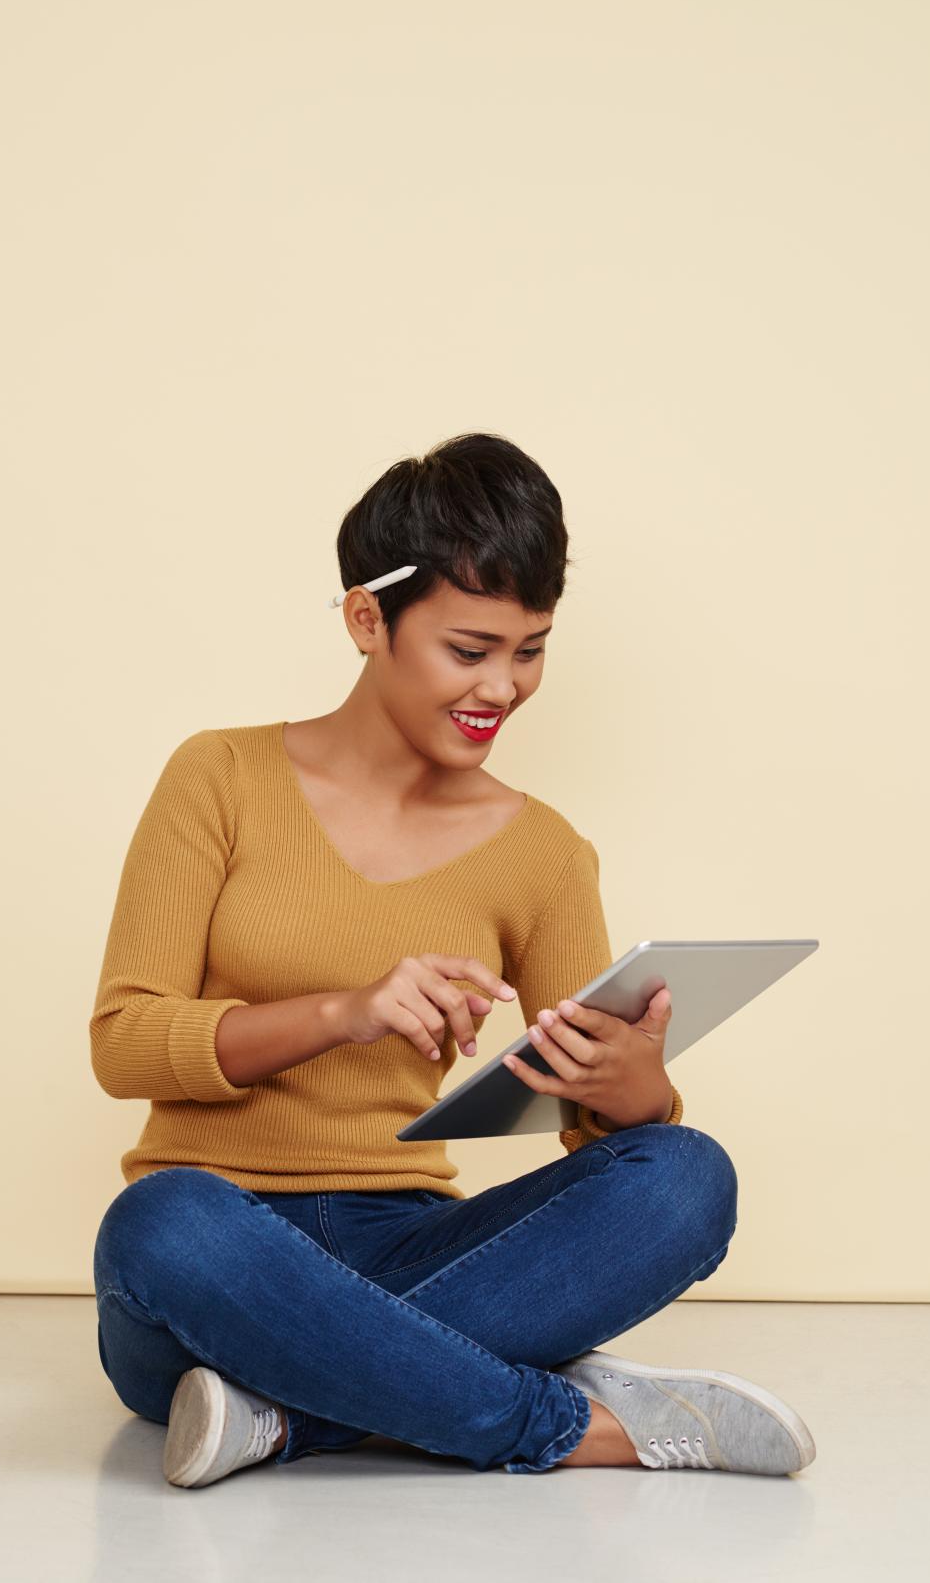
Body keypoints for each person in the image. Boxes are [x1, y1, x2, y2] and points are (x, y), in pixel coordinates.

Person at [90, 431, 817, 1487]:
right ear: (367, 618)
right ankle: (567, 1425)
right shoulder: (219, 776)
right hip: (222, 1252)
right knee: (163, 1224)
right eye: (469, 649)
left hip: (418, 1247)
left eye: (530, 649)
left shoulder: (543, 851)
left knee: (687, 1175)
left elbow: (595, 1140)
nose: (504, 686)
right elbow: (123, 1046)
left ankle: (285, 1416)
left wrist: (639, 1095)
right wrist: (344, 1011)